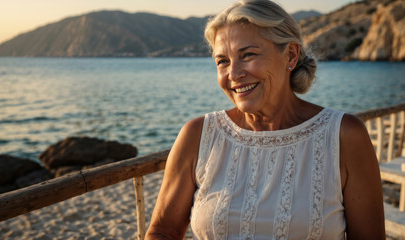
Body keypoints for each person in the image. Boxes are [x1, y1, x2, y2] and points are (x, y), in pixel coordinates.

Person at [146, 0, 385, 239]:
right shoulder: (198, 135)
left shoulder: (344, 136)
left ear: (290, 55)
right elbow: (162, 231)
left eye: (248, 55)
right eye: (223, 61)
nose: (234, 74)